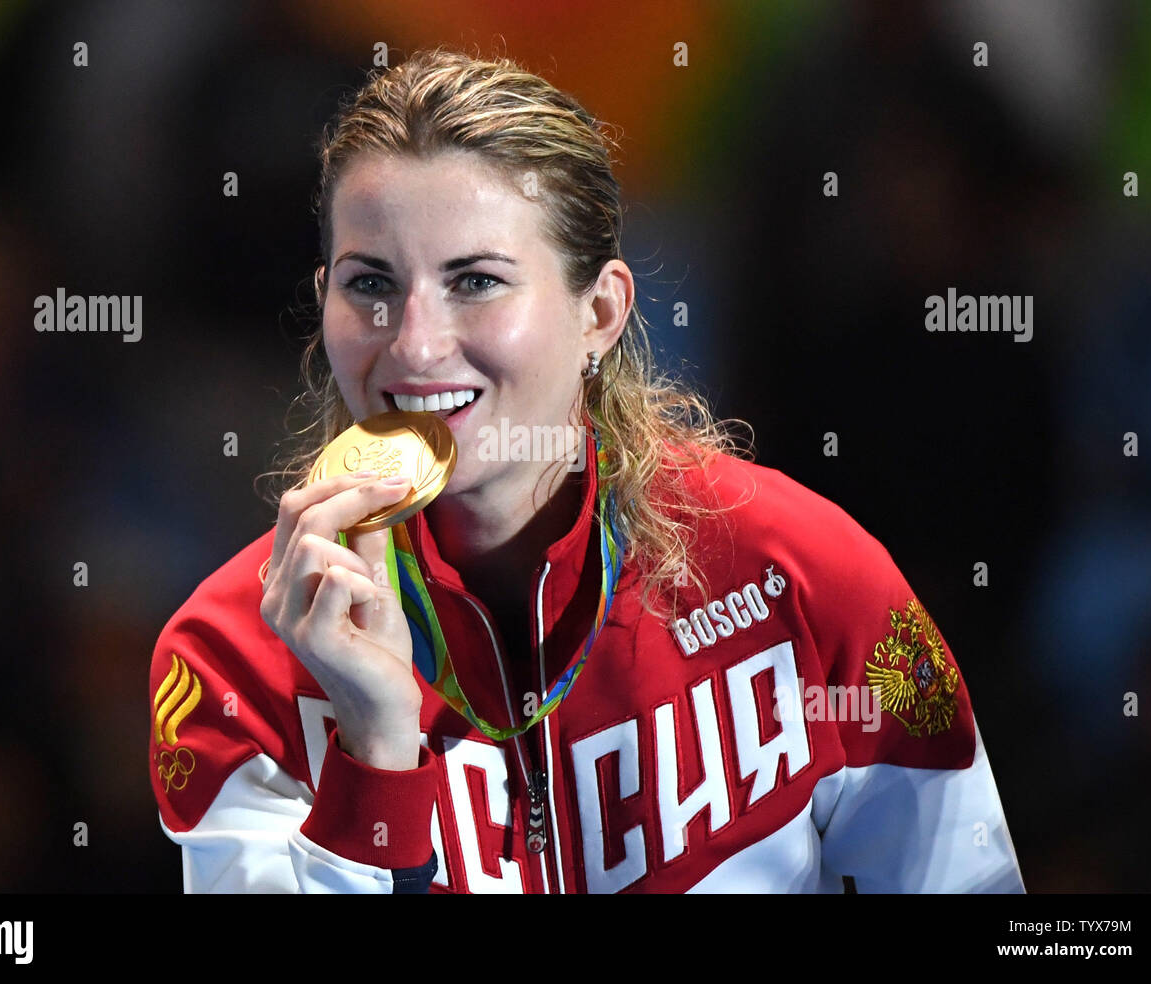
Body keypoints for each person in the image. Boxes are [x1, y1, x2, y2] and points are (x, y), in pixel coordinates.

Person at [148, 46, 1024, 894]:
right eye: (370, 283)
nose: (413, 345)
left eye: (477, 281)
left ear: (599, 311)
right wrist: (376, 754)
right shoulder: (232, 662)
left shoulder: (798, 576)